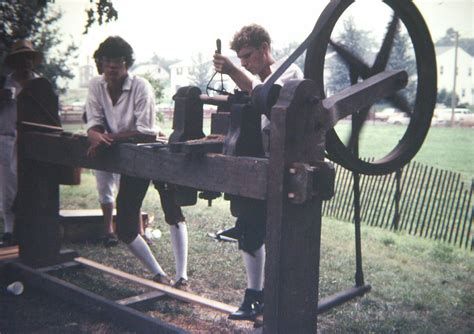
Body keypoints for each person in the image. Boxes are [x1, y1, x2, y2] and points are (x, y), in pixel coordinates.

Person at [213, 24, 303, 320]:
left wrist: (234, 72)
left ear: (265, 49)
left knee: (281, 237)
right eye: (240, 60)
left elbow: (266, 96)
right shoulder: (256, 78)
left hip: (288, 167)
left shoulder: (291, 75)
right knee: (250, 229)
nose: (245, 64)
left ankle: (279, 303)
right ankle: (256, 296)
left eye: (248, 57)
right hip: (262, 163)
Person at [85, 36, 189, 289]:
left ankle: (182, 276)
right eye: (107, 61)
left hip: (155, 153)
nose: (112, 67)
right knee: (125, 224)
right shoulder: (96, 86)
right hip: (128, 157)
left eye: (118, 61)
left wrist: (106, 137)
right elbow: (94, 121)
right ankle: (158, 274)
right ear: (100, 63)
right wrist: (96, 134)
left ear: (127, 64)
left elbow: (145, 131)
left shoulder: (141, 86)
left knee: (172, 211)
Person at [0, 40, 43, 246]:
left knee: (31, 186)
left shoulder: (40, 83)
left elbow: (49, 113)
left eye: (28, 58)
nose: (24, 62)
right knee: (8, 187)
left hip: (32, 140)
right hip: (7, 139)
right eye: (20, 58)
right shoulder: (4, 83)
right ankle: (9, 229)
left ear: (32, 61)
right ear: (14, 61)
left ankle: (30, 229)